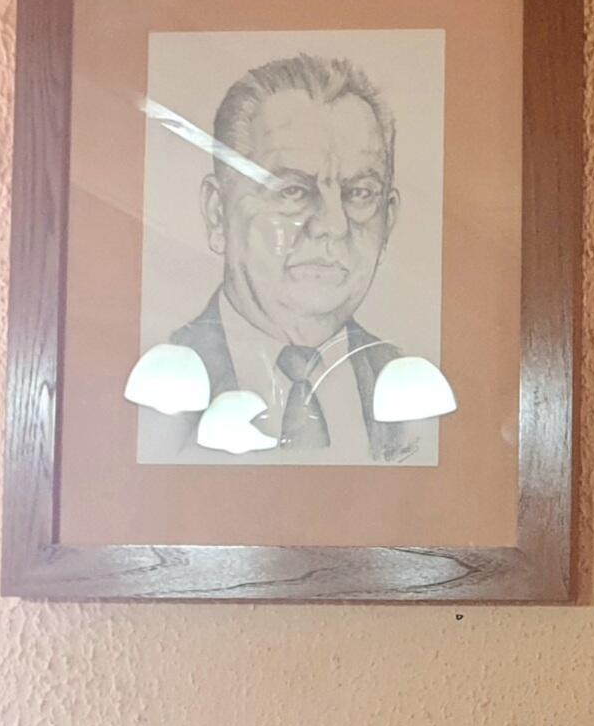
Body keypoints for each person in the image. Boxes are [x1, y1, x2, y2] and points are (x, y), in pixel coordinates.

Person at [157, 53, 422, 464]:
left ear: (389, 218)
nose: (333, 225)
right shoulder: (161, 384)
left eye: (359, 193)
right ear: (217, 213)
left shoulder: (409, 390)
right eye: (293, 191)